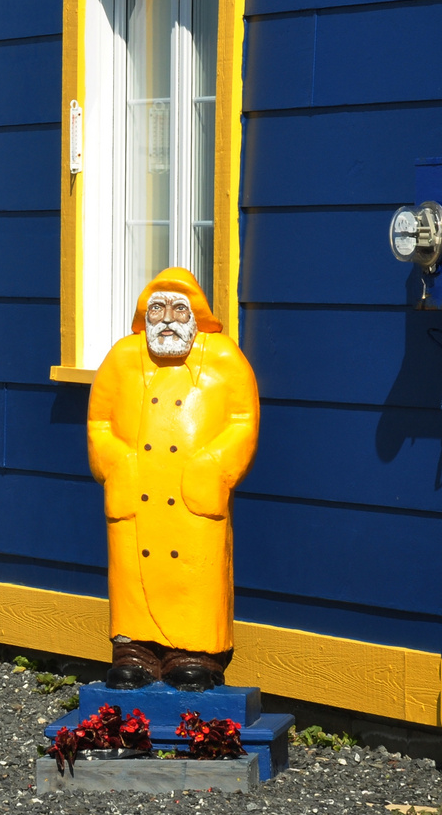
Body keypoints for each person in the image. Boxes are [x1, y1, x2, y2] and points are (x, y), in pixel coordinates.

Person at [87, 267, 259, 691]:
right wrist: (117, 464)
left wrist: (214, 466)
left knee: (196, 576)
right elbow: (98, 423)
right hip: (137, 491)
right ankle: (135, 648)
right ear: (144, 313)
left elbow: (243, 419)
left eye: (178, 309)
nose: (167, 319)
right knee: (131, 573)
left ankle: (196, 651)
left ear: (196, 315)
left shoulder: (223, 356)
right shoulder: (123, 357)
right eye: (157, 308)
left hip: (192, 496)